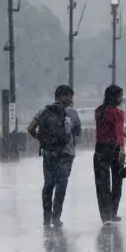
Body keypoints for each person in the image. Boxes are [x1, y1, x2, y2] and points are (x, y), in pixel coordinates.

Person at [27, 85, 81, 227]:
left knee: (48, 184)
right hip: (66, 155)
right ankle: (56, 217)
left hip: (48, 153)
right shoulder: (73, 114)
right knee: (61, 185)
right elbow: (77, 134)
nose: (71, 99)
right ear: (62, 96)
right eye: (69, 96)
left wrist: (43, 140)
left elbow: (30, 128)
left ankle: (46, 218)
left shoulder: (44, 111)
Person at [94, 85, 126, 225]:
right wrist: (122, 149)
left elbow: (107, 129)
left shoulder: (99, 111)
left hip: (100, 149)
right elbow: (117, 133)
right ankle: (113, 211)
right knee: (117, 181)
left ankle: (105, 214)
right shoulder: (117, 113)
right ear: (114, 97)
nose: (121, 99)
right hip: (114, 148)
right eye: (120, 96)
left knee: (102, 183)